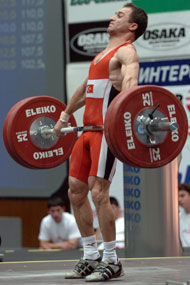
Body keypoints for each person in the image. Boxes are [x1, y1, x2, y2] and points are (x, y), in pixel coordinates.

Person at [54, 3, 148, 282]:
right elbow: (86, 89)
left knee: (99, 192)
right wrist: (65, 115)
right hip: (87, 131)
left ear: (132, 27)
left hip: (106, 132)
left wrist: (121, 121)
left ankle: (111, 260)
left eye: (119, 15)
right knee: (75, 190)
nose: (111, 17)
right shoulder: (101, 56)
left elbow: (130, 83)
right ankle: (90, 255)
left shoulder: (127, 52)